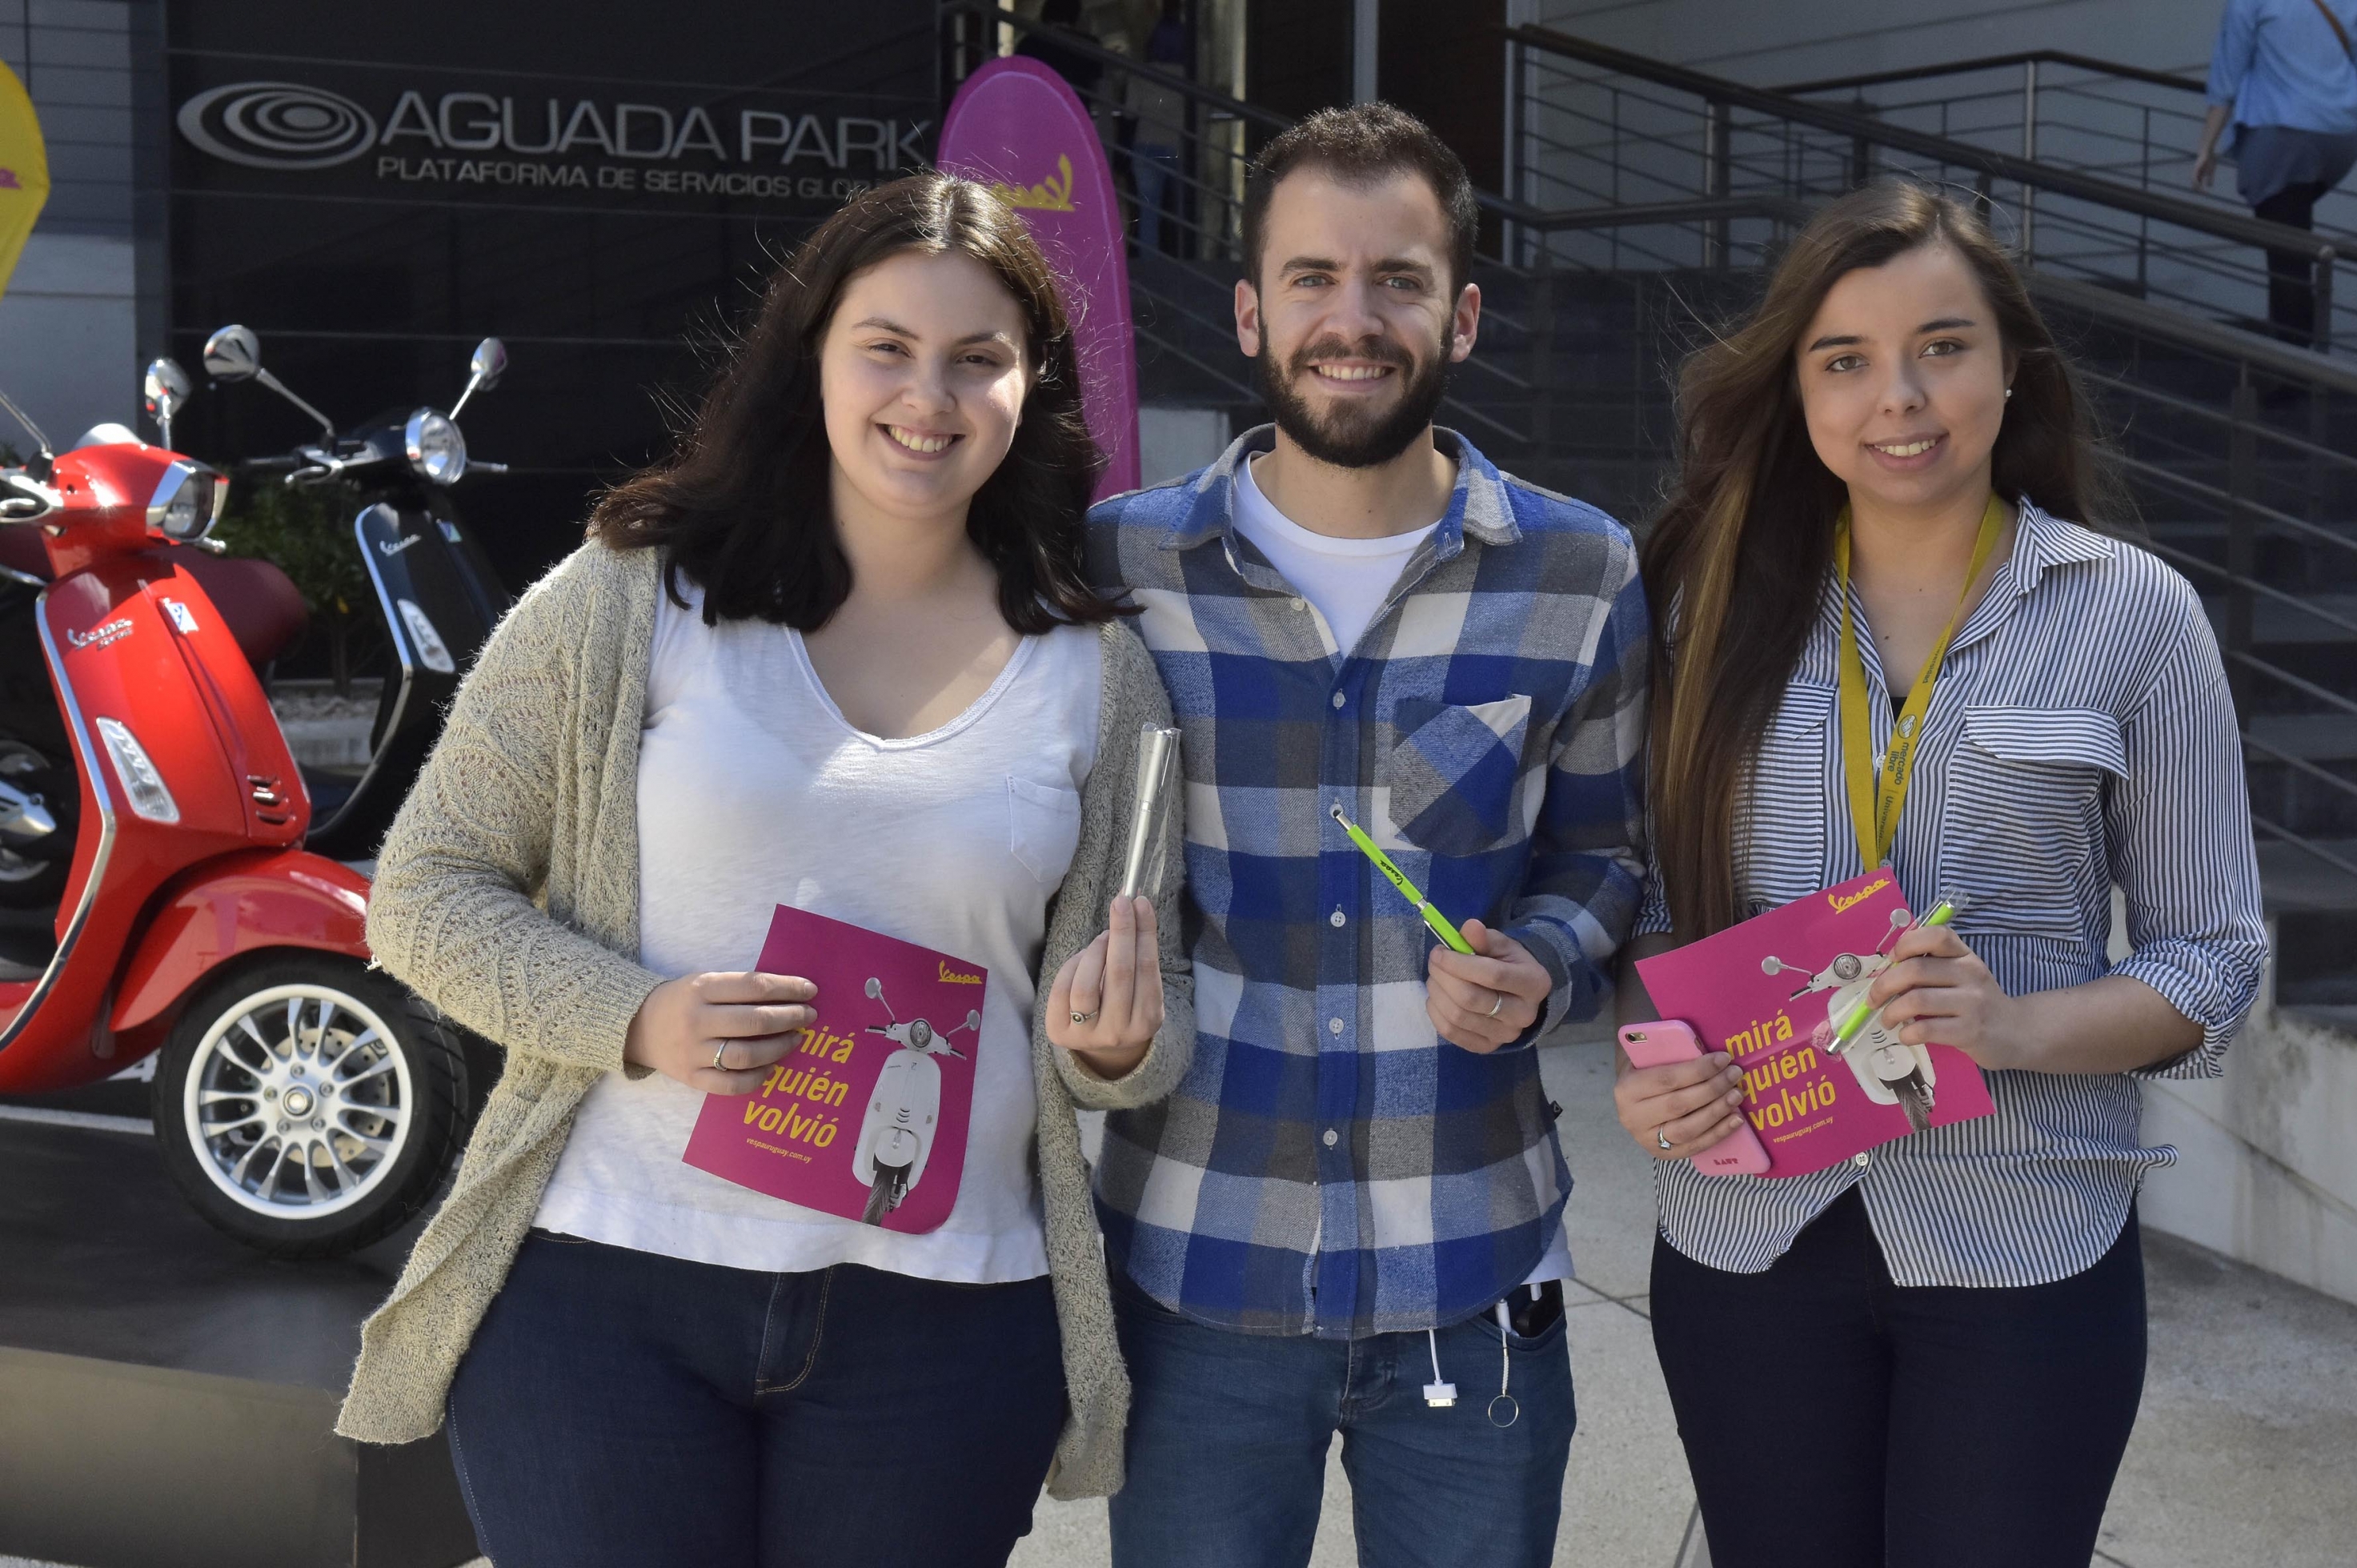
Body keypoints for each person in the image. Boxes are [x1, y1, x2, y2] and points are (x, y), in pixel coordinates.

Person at [334, 173, 1197, 1568]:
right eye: (889, 346)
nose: (931, 394)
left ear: (1030, 390)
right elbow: (425, 889)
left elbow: (1134, 1022)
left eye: (980, 358)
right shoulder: (630, 596)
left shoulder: (1099, 673)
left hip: (942, 1320)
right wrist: (634, 1014)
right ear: (811, 357)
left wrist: (1123, 1042)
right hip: (603, 1293)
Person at [1617, 178, 2269, 1568]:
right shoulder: (1705, 610)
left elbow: (2215, 954)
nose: (1897, 396)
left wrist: (2017, 1025)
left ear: (2012, 366)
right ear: (1797, 390)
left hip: (2028, 1233)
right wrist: (1652, 1060)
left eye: (1943, 346)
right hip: (1751, 1233)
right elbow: (1657, 911)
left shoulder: (2134, 614)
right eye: (1845, 360)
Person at [1085, 103, 1649, 1568]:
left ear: (1459, 314)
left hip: (1474, 1272)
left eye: (1397, 278)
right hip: (1198, 1271)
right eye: (1314, 278)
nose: (1355, 318)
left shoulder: (1580, 569)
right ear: (1250, 310)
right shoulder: (1121, 568)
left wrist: (1543, 956)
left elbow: (1606, 852)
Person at [2194, 0, 2357, 346]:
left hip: (2283, 135)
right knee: (2295, 234)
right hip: (2343, 136)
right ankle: (2302, 355)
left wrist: (2207, 147)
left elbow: (2226, 77)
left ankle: (2294, 367)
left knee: (2285, 255)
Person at [1125, 0, 1192, 258]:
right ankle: (1185, 259)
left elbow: (1131, 110)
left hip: (1146, 145)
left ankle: (1150, 263)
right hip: (1177, 146)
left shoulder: (1142, 73)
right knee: (1183, 211)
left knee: (1148, 212)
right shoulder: (1189, 76)